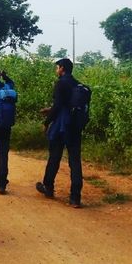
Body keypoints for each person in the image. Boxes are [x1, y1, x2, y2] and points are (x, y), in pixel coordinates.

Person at [36, 58, 83, 208]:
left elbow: (58, 106)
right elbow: (67, 104)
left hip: (61, 126)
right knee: (75, 161)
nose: (56, 70)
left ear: (62, 68)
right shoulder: (77, 84)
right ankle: (75, 198)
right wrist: (50, 109)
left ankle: (48, 187)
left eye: (57, 67)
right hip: (75, 126)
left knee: (54, 157)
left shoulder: (60, 83)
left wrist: (46, 122)